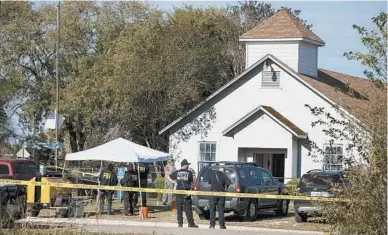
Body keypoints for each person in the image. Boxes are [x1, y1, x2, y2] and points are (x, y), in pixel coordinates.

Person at [169, 159, 198, 228]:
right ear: (185, 165)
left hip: (178, 192)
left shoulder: (177, 172)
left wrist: (175, 182)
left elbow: (168, 177)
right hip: (186, 192)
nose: (188, 166)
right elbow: (192, 182)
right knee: (188, 208)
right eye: (187, 164)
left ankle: (180, 223)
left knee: (179, 208)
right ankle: (190, 224)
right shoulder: (189, 172)